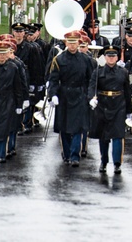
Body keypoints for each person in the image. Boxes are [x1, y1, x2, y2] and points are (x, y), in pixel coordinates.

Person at [47, 30, 96, 167]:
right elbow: (54, 79)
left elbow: (91, 80)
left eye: (75, 43)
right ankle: (67, 153)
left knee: (78, 128)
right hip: (64, 95)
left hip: (80, 95)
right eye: (70, 42)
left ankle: (75, 155)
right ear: (66, 43)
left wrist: (90, 96)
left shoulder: (86, 60)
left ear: (78, 43)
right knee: (64, 128)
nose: (73, 45)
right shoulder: (59, 59)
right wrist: (53, 95)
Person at [89, 46, 130, 174]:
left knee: (118, 136)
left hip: (118, 105)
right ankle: (104, 161)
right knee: (104, 136)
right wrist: (91, 98)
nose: (111, 58)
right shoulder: (98, 72)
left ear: (117, 58)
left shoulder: (123, 72)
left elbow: (127, 91)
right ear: (105, 57)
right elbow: (92, 87)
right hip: (103, 105)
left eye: (113, 56)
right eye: (109, 56)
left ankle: (117, 163)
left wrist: (129, 110)